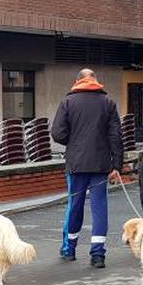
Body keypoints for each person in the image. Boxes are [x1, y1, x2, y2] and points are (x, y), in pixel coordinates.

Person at [50, 69, 124, 268]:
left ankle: (69, 250)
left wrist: (72, 142)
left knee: (75, 206)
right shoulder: (108, 103)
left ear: (77, 81)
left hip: (76, 164)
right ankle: (98, 254)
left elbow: (57, 133)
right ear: (95, 80)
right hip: (101, 165)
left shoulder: (68, 102)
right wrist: (117, 165)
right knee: (100, 208)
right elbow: (116, 137)